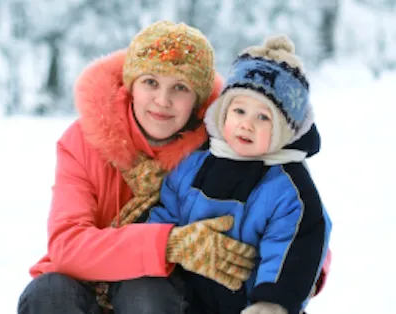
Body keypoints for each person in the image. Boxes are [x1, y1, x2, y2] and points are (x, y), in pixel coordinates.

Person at [17, 20, 257, 314]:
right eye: (151, 82)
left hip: (174, 297)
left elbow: (291, 210)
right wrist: (168, 244)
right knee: (49, 293)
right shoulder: (85, 139)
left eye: (180, 87)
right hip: (86, 288)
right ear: (132, 86)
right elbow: (67, 244)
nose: (162, 100)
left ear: (198, 100)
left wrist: (298, 271)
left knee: (144, 291)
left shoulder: (225, 143)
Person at [146, 35, 332, 314]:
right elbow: (164, 213)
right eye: (240, 111)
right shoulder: (192, 167)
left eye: (263, 117)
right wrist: (158, 242)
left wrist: (272, 302)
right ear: (223, 113)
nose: (247, 124)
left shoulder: (288, 187)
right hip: (190, 302)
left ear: (284, 129)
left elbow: (295, 246)